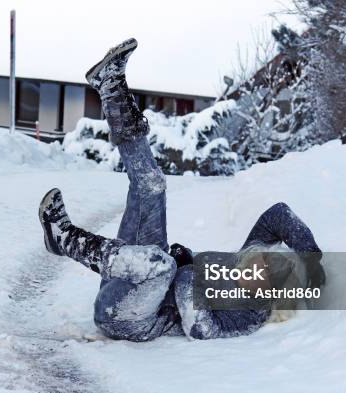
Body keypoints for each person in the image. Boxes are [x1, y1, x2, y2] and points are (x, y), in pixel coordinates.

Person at [38, 39, 325, 342]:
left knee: (160, 266)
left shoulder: (250, 313)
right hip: (135, 276)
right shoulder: (247, 260)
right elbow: (278, 215)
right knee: (152, 186)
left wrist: (186, 269)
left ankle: (65, 238)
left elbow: (200, 328)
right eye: (268, 259)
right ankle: (110, 86)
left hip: (130, 318)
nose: (260, 265)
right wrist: (311, 258)